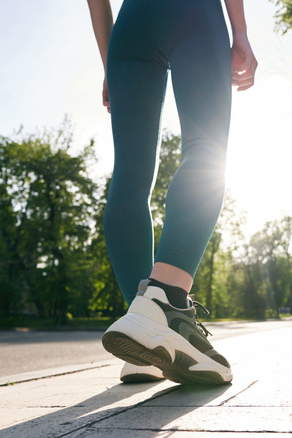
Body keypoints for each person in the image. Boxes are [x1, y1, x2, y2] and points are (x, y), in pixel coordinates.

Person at [87, 0, 257, 384]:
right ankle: (165, 304)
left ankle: (141, 328)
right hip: (192, 12)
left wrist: (110, 63)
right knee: (207, 148)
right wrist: (241, 31)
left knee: (129, 176)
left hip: (131, 27)